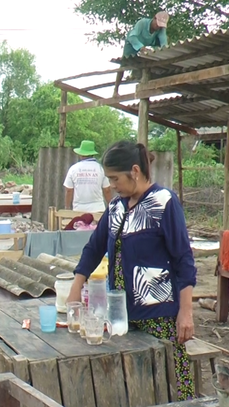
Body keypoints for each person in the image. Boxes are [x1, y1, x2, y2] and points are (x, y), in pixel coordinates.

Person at [66, 140, 197, 401]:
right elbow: (94, 248)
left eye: (115, 179)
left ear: (135, 171)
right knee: (135, 386)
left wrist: (186, 312)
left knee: (170, 383)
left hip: (158, 314)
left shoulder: (164, 202)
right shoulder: (116, 207)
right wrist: (75, 288)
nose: (112, 185)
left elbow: (183, 259)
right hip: (123, 316)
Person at [64, 140, 111, 213]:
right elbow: (107, 190)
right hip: (98, 209)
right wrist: (110, 207)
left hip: (79, 210)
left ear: (81, 154)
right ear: (92, 154)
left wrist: (67, 208)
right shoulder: (100, 168)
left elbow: (69, 190)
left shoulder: (73, 169)